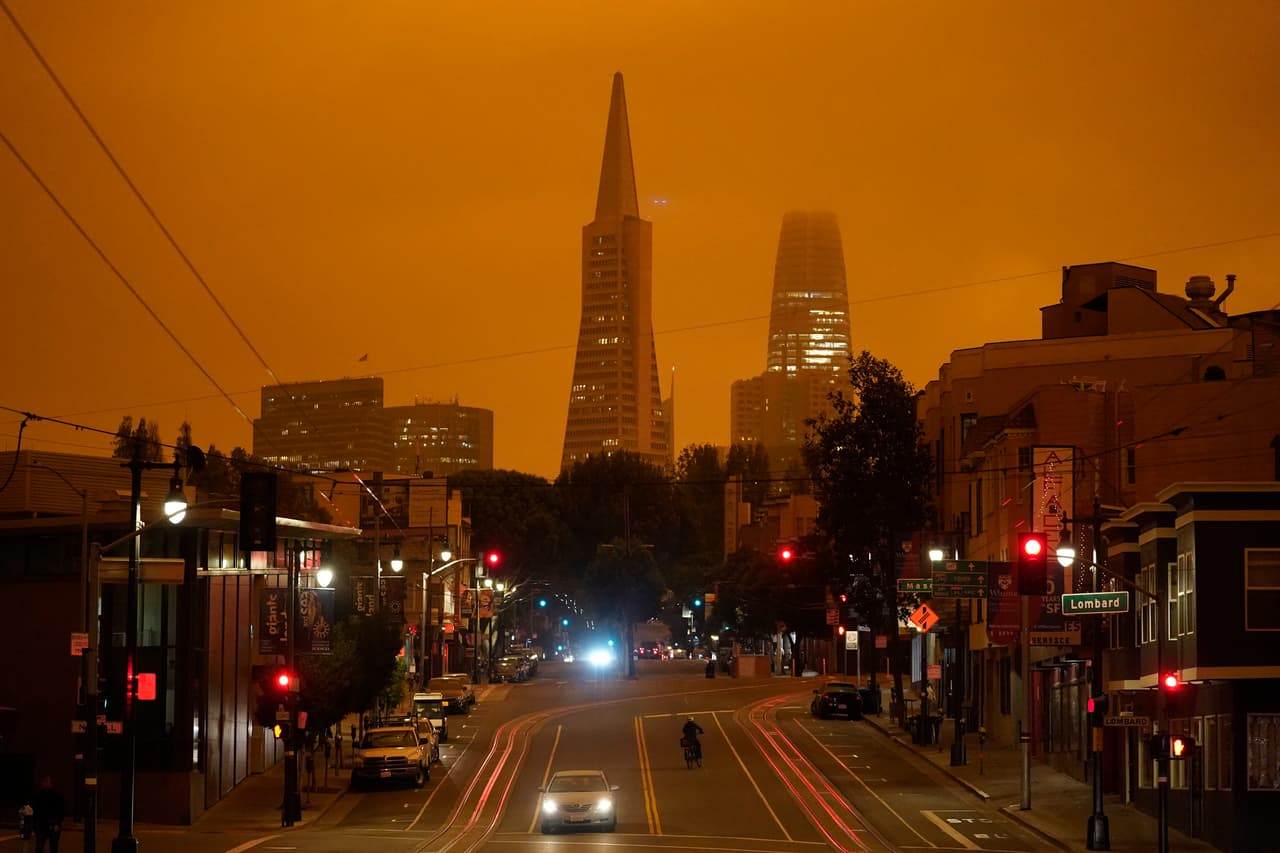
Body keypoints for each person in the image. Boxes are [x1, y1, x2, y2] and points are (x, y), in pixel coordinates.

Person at [32, 775, 64, 853]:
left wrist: (57, 823)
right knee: (39, 847)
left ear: (52, 784)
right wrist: (35, 826)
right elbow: (35, 811)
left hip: (53, 824)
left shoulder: (57, 795)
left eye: (48, 782)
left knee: (53, 847)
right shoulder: (38, 795)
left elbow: (60, 810)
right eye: (45, 782)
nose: (46, 784)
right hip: (41, 824)